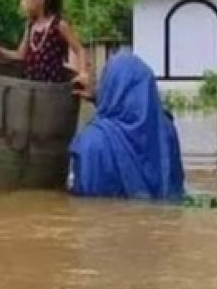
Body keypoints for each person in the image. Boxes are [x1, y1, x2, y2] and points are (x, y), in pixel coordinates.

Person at [69, 53, 185, 201]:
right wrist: (99, 99)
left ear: (109, 86)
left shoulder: (90, 142)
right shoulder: (166, 132)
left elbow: (87, 202)